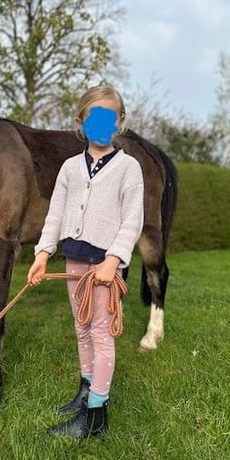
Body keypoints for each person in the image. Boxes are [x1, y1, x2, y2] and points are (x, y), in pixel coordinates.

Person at [27, 85, 144, 440]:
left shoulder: (129, 168)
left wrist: (114, 259)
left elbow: (132, 219)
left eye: (109, 118)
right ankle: (86, 388)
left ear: (120, 123)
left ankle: (95, 415)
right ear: (80, 122)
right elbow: (56, 214)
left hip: (104, 266)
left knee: (100, 332)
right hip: (74, 257)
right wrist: (43, 253)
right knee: (81, 328)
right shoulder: (69, 168)